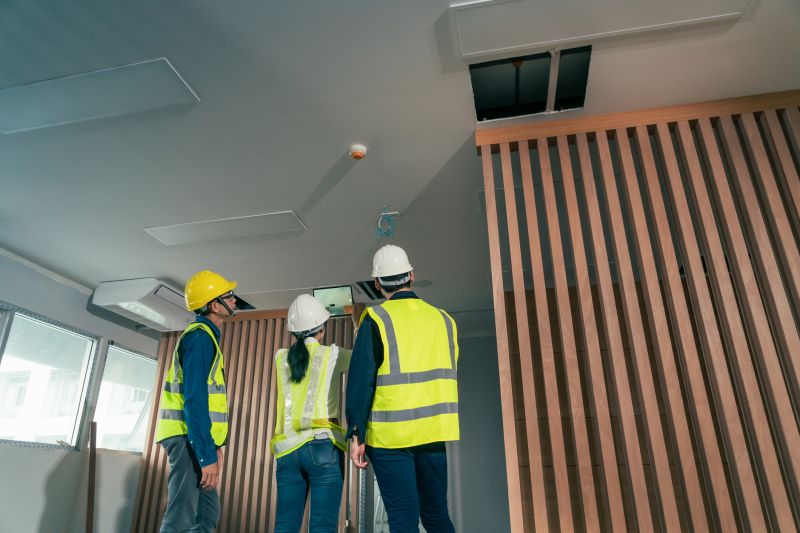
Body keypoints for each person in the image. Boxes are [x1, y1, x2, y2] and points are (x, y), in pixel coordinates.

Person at [345, 245, 459, 533]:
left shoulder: (375, 319)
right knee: (435, 515)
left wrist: (356, 434)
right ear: (411, 275)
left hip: (391, 438)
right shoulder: (444, 319)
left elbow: (361, 381)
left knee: (403, 519)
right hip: (433, 434)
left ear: (377, 283)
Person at [155, 270, 252, 533]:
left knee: (208, 515)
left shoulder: (207, 338)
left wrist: (212, 445)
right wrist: (205, 452)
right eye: (229, 297)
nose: (234, 301)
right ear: (214, 305)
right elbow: (195, 400)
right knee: (181, 516)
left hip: (196, 439)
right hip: (187, 437)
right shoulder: (199, 339)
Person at [271, 294, 353, 533]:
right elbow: (365, 359)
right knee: (323, 526)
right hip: (321, 449)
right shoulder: (332, 354)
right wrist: (358, 325)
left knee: (285, 526)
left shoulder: (281, 358)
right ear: (322, 329)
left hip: (287, 452)